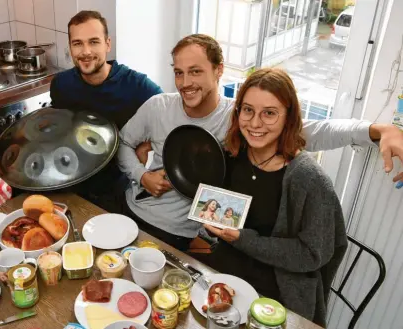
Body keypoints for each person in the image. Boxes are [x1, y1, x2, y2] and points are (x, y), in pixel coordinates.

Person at [118, 34, 403, 251]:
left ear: (219, 70)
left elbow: (315, 131)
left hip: (179, 233)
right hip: (131, 210)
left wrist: (377, 130)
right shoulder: (158, 106)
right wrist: (141, 175)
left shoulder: (241, 117)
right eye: (178, 72)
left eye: (195, 71)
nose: (184, 82)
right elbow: (123, 143)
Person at [199, 68, 346, 326]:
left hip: (279, 293)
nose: (255, 124)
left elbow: (313, 255)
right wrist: (211, 223)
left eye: (269, 113)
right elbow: (219, 215)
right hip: (223, 275)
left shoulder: (309, 179)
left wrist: (244, 240)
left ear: (288, 118)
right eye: (248, 110)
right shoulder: (230, 155)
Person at [49, 10, 162, 212]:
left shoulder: (137, 85)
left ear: (107, 44)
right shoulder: (60, 84)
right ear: (70, 47)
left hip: (118, 189)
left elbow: (169, 115)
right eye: (78, 43)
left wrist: (148, 143)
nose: (86, 51)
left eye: (94, 42)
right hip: (71, 184)